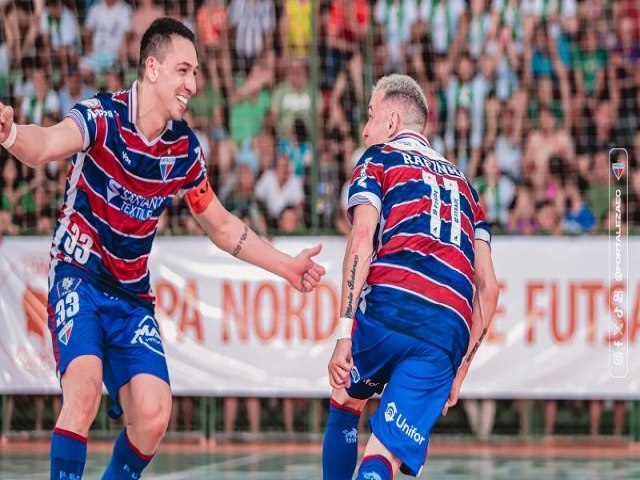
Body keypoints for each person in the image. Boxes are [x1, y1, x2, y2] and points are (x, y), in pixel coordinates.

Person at [0, 17, 325, 480]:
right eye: (184, 70)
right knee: (85, 392)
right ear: (151, 68)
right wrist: (11, 134)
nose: (193, 83)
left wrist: (286, 266)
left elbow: (218, 223)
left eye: (195, 73)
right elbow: (47, 144)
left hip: (132, 296)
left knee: (153, 417)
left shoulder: (183, 150)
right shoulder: (102, 118)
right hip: (79, 275)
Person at [323, 74, 499, 480]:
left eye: (370, 116)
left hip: (389, 310)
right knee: (383, 454)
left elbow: (362, 239)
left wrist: (343, 333)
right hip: (445, 335)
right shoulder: (468, 188)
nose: (365, 129)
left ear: (392, 121)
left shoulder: (378, 159)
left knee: (344, 401)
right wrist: (459, 372)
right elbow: (488, 289)